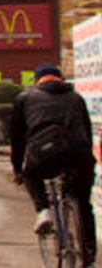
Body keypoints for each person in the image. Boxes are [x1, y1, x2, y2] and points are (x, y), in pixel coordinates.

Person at [10, 64, 96, 266]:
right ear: (61, 80)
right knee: (83, 203)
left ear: (37, 81)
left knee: (31, 175)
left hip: (44, 153)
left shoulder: (24, 98)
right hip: (79, 155)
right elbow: (87, 131)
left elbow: (17, 139)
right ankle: (89, 256)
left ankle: (44, 210)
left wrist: (17, 169)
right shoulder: (76, 98)